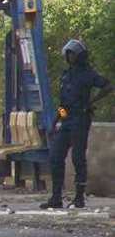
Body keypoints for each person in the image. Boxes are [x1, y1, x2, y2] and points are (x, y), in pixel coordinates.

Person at [40, 40, 113, 209]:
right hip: (67, 120)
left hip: (80, 119)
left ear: (79, 56)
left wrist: (92, 102)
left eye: (72, 54)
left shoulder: (88, 74)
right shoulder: (66, 75)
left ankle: (79, 197)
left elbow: (108, 86)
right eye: (68, 54)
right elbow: (63, 104)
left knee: (78, 158)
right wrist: (55, 121)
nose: (69, 57)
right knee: (56, 157)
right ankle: (56, 197)